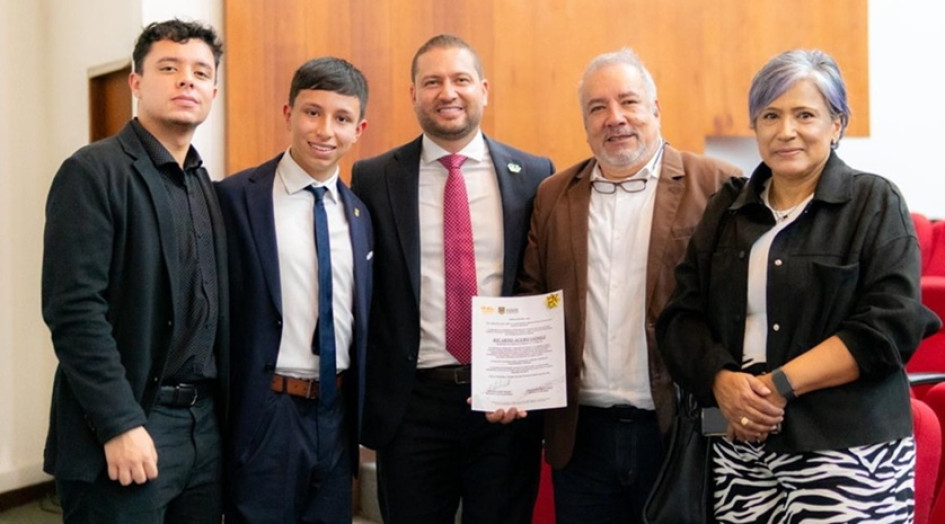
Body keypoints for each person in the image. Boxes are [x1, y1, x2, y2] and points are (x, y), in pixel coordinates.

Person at [656, 49, 941, 523]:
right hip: (740, 446)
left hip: (849, 450)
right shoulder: (726, 211)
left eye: (804, 114)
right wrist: (722, 381)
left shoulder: (873, 202)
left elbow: (889, 326)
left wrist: (777, 387)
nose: (785, 131)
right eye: (770, 115)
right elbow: (680, 320)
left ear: (836, 124)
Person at [516, 48, 741, 523]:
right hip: (582, 436)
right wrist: (510, 380)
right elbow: (531, 300)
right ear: (585, 123)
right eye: (598, 108)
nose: (614, 118)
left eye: (629, 102)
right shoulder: (554, 195)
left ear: (655, 110)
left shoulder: (719, 185)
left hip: (679, 428)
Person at [350, 34, 555, 524]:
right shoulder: (374, 177)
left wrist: (522, 384)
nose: (448, 93)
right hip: (412, 406)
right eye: (432, 82)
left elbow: (539, 285)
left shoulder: (532, 173)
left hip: (503, 408)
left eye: (461, 79)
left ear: (483, 89)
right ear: (412, 94)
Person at [41, 19, 227, 523]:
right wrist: (119, 423)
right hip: (131, 421)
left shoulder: (204, 184)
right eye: (169, 67)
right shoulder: (93, 172)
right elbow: (74, 312)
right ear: (136, 82)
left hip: (204, 427)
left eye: (200, 71)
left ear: (213, 89)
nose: (186, 80)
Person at [215, 57, 372, 523]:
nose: (325, 130)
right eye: (312, 112)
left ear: (359, 128)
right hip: (267, 410)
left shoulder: (361, 216)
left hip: (337, 412)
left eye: (342, 118)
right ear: (288, 113)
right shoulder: (235, 199)